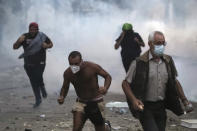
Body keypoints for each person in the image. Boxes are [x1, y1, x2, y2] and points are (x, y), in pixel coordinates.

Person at [122, 31, 194, 131]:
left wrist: (185, 101)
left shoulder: (168, 61)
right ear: (150, 44)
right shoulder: (139, 63)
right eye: (158, 43)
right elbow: (125, 83)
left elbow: (174, 81)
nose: (161, 46)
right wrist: (134, 100)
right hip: (145, 106)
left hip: (161, 107)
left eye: (163, 43)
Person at [57, 51, 112, 131]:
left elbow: (107, 76)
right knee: (76, 128)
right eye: (71, 64)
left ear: (81, 61)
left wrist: (105, 88)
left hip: (96, 101)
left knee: (100, 128)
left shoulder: (92, 67)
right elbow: (65, 87)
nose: (74, 67)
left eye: (76, 64)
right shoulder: (68, 73)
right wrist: (62, 96)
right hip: (81, 102)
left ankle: (106, 126)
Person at [13, 22, 53, 108]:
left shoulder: (42, 36)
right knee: (33, 81)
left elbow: (51, 44)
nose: (32, 31)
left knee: (38, 76)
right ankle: (38, 99)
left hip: (40, 61)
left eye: (34, 29)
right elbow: (15, 47)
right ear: (29, 29)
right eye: (31, 29)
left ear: (37, 29)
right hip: (28, 62)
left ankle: (42, 88)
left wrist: (46, 45)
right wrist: (18, 41)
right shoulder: (24, 36)